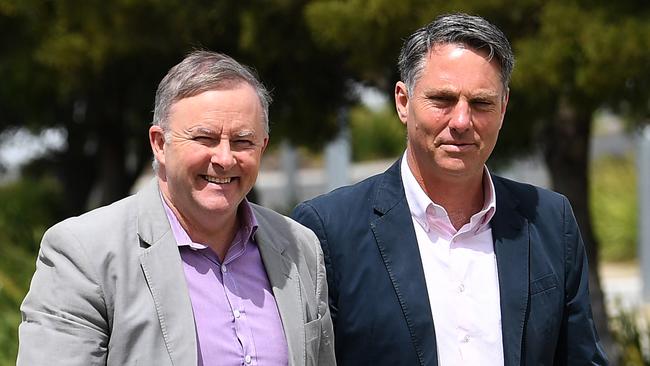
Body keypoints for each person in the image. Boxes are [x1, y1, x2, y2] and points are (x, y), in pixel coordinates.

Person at [292, 13, 607, 366]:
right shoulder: (328, 231)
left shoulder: (549, 220)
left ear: (503, 109)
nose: (461, 121)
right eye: (442, 100)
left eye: (481, 103)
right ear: (403, 102)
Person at [18, 51, 335, 366]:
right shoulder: (85, 254)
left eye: (242, 142)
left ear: (262, 146)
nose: (224, 159)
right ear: (159, 143)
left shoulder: (300, 248)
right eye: (204, 138)